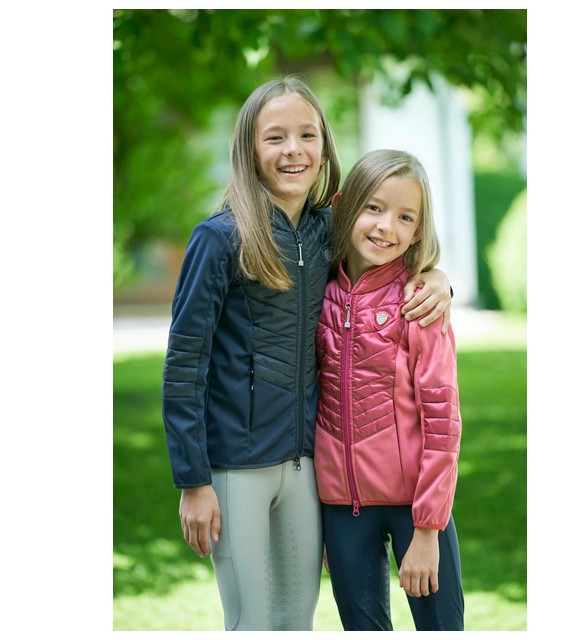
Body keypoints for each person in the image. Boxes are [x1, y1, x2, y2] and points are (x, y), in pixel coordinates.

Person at [161, 77, 453, 631]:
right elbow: (184, 367)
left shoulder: (328, 232)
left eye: (306, 135)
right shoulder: (220, 239)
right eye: (275, 137)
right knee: (251, 620)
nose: (292, 150)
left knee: (297, 621)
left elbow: (389, 249)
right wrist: (193, 481)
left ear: (324, 146)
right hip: (237, 464)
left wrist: (438, 279)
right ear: (250, 148)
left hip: (306, 468)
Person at [314, 149, 464, 631]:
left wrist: (428, 529)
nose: (386, 227)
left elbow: (442, 421)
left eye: (405, 217)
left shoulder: (420, 304)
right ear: (343, 206)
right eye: (374, 208)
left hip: (415, 509)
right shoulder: (316, 293)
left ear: (418, 230)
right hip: (343, 511)